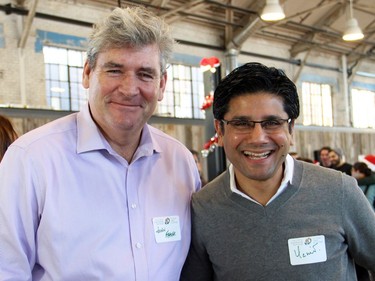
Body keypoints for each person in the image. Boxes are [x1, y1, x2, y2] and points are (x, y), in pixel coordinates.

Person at [0, 7, 201, 280]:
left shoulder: (179, 162)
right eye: (115, 70)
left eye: (145, 74)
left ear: (162, 84)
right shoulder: (32, 159)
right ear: (87, 73)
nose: (130, 89)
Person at [180, 62, 375, 280]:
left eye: (272, 122)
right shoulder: (203, 206)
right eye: (241, 123)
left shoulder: (338, 190)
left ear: (291, 128)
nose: (258, 138)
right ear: (220, 130)